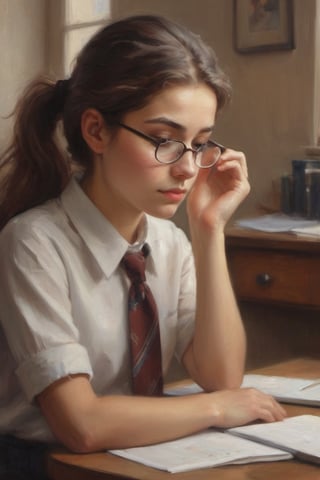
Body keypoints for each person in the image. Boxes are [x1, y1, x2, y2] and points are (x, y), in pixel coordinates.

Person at [0, 14, 286, 479]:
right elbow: (82, 425)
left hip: (139, 459)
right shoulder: (33, 244)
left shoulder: (169, 243)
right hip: (46, 467)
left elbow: (221, 376)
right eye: (164, 140)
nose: (188, 169)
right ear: (96, 131)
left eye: (200, 144)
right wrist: (216, 408)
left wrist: (208, 229)